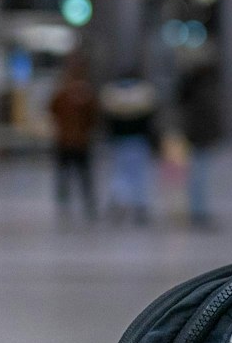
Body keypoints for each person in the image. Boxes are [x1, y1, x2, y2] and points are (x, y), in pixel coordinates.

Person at [100, 69, 158, 224]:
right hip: (138, 139)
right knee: (139, 175)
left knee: (121, 173)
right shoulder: (143, 93)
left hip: (120, 139)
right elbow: (150, 117)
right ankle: (139, 205)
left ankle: (121, 201)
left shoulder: (113, 94)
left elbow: (107, 119)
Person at [49, 58, 99, 221]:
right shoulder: (64, 95)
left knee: (80, 174)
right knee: (69, 174)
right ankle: (66, 202)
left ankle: (80, 202)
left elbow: (92, 116)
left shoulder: (82, 96)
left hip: (76, 141)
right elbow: (53, 109)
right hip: (69, 141)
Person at [176, 62, 224, 229]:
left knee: (197, 176)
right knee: (198, 177)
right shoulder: (201, 94)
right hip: (199, 140)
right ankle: (198, 211)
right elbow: (205, 120)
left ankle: (198, 210)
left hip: (196, 140)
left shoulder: (193, 95)